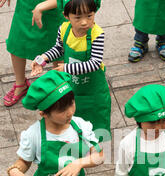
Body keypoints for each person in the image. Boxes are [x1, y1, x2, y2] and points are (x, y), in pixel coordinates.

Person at [31, 0, 111, 142]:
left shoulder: (97, 34)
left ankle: (94, 146)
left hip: (94, 91)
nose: (85, 22)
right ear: (66, 16)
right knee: (73, 115)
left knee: (96, 119)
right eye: (78, 17)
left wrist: (66, 68)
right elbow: (58, 49)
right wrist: (42, 59)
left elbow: (95, 63)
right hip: (73, 88)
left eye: (89, 16)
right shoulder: (64, 29)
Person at [0, 0, 64, 107]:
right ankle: (20, 84)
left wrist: (41, 7)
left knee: (59, 50)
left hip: (54, 11)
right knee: (17, 44)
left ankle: (59, 86)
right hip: (26, 7)